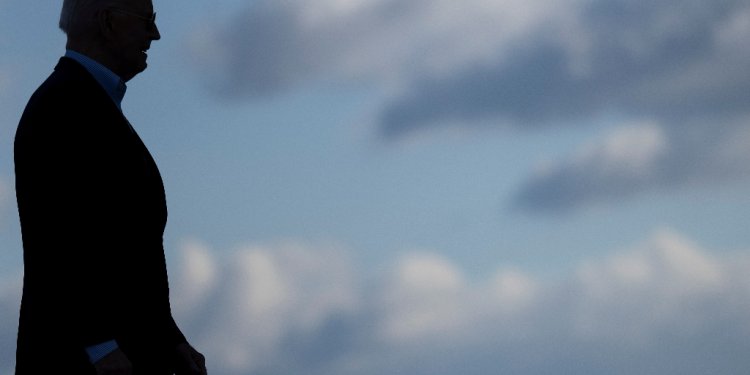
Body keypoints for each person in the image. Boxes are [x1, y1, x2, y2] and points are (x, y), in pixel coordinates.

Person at [13, 0, 207, 374]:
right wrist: (99, 347)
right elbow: (57, 243)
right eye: (147, 21)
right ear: (107, 22)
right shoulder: (61, 108)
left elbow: (129, 255)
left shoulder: (80, 103)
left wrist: (170, 339)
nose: (155, 34)